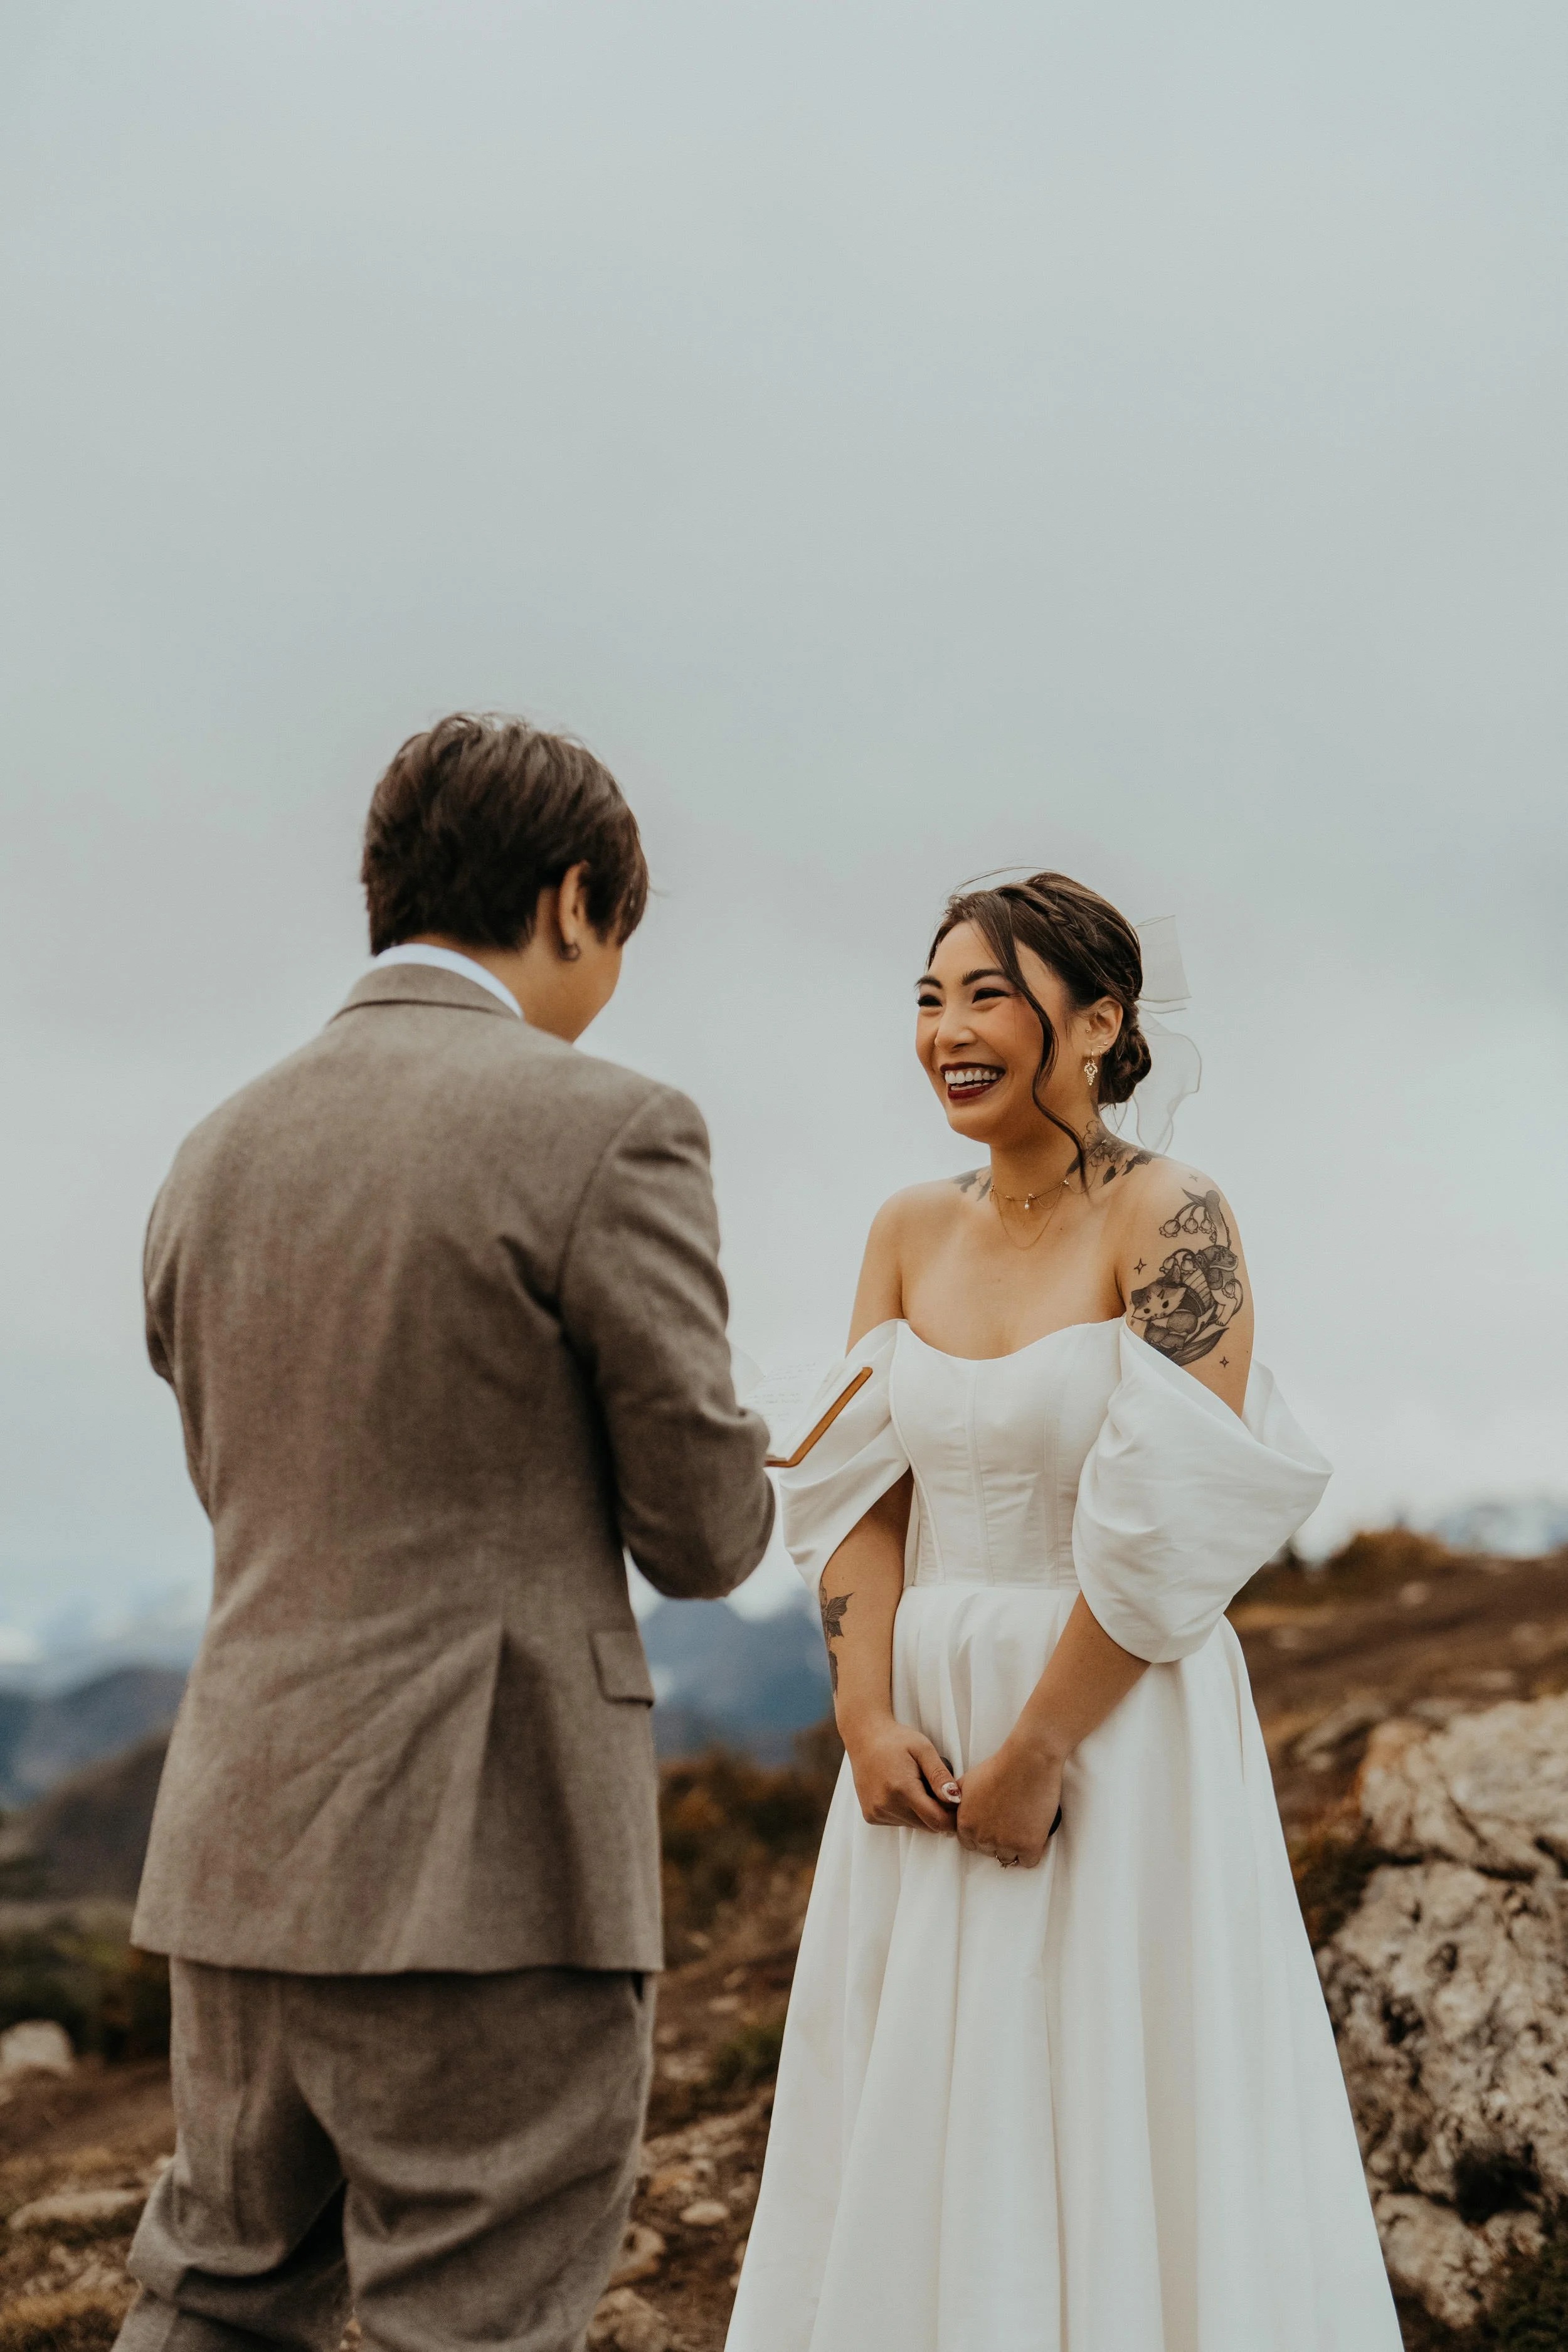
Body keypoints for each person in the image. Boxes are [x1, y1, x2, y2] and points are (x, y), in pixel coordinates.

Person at [118, 714, 775, 2352]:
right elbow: (701, 1534)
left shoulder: (212, 1153)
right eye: (615, 932)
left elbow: (257, 1482)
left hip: (239, 1849)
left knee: (214, 2293)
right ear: (572, 900)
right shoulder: (608, 1126)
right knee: (470, 2319)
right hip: (491, 1865)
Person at [726, 872, 1401, 2352]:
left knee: (1113, 2075)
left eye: (987, 995)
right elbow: (857, 1490)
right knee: (919, 2092)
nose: (946, 1031)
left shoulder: (1171, 1215)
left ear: (1096, 1023)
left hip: (1113, 1715)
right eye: (928, 999)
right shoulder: (905, 1228)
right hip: (918, 1722)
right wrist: (862, 1717)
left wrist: (1038, 1748)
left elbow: (1170, 1523)